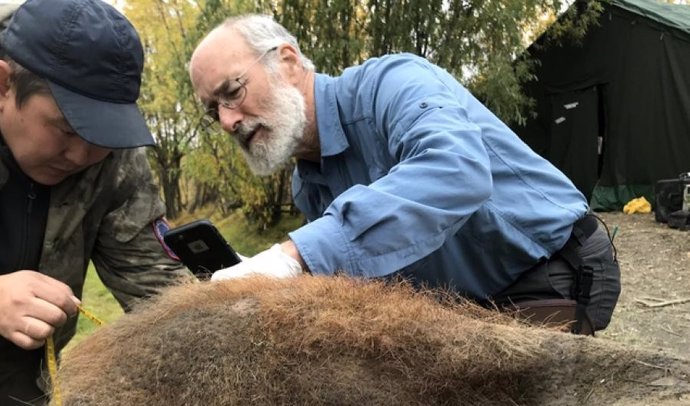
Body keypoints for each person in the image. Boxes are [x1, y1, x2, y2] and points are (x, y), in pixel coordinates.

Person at [188, 15, 620, 333]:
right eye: (214, 111)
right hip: (465, 300)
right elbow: (354, 267)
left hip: (548, 268)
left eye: (233, 91)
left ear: (287, 60)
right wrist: (271, 277)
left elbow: (457, 171)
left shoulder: (393, 83)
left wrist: (293, 256)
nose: (228, 121)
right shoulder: (307, 183)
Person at [0, 0, 194, 404]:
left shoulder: (113, 157)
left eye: (101, 136)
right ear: (4, 85)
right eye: (66, 129)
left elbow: (159, 289)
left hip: (26, 387)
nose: (82, 156)